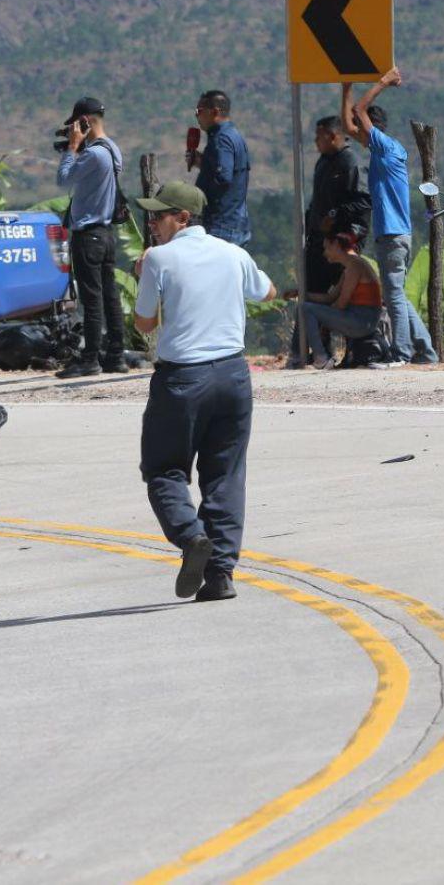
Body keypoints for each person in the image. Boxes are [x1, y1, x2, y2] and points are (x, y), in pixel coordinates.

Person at [132, 182, 276, 602]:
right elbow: (266, 292)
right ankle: (220, 576)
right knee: (225, 476)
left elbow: (144, 324)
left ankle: (191, 536)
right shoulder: (233, 253)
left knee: (164, 469)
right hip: (233, 375)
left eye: (159, 216)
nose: (153, 224)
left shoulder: (158, 259)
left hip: (182, 379)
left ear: (183, 218)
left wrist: (146, 276)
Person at [343, 69, 439, 366]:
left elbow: (358, 112)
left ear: (373, 129)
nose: (357, 132)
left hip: (392, 235)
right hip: (397, 235)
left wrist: (383, 82)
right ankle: (427, 351)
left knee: (394, 296)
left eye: (363, 128)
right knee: (398, 294)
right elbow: (349, 123)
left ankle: (402, 353)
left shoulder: (384, 146)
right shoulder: (388, 152)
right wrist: (345, 88)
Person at [289, 116, 372, 366]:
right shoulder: (323, 163)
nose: (316, 142)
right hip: (318, 243)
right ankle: (309, 351)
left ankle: (354, 352)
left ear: (334, 136)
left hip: (342, 245)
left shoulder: (351, 162)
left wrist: (336, 216)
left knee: (343, 298)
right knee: (310, 294)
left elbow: (364, 201)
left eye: (320, 137)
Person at [55, 96, 128, 377]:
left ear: (84, 121)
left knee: (92, 299)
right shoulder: (112, 149)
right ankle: (116, 355)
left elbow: (63, 180)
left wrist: (72, 148)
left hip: (88, 235)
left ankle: (90, 359)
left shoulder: (92, 154)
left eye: (75, 124)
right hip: (106, 234)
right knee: (110, 296)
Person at [283, 226, 383, 370]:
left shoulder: (355, 265)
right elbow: (330, 297)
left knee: (306, 309)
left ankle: (320, 357)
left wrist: (323, 323)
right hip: (360, 318)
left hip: (362, 320)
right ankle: (320, 356)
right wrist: (301, 294)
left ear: (336, 245)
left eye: (326, 248)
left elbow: (340, 304)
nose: (324, 253)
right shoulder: (350, 265)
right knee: (306, 306)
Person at [192, 90, 251, 247]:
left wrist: (196, 197)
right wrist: (204, 163)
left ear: (215, 112)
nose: (196, 116)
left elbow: (223, 177)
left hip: (221, 224)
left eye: (199, 111)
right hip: (234, 221)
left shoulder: (222, 139)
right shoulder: (233, 135)